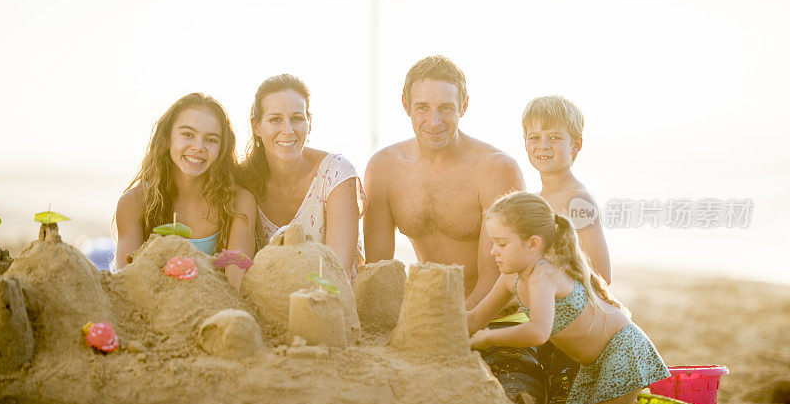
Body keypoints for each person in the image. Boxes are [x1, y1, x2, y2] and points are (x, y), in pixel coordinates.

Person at [466, 191, 670, 404]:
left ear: (533, 244)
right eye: (493, 243)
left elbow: (538, 332)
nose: (492, 252)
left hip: (623, 350)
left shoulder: (544, 275)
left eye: (502, 244)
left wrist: (489, 339)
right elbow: (475, 318)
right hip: (592, 364)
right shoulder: (512, 277)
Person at [364, 55, 524, 309]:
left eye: (446, 108)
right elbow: (378, 272)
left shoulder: (496, 170)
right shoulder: (383, 168)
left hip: (498, 316)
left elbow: (497, 278)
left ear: (463, 106)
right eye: (422, 107)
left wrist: (450, 327)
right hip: (431, 312)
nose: (434, 121)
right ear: (406, 105)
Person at [115, 93, 257, 289]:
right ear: (167, 138)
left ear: (222, 149)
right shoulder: (134, 203)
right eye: (188, 134)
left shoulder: (239, 202)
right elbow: (126, 285)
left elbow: (236, 286)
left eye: (211, 140)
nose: (198, 147)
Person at [238, 74, 364, 280]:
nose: (287, 130)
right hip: (266, 300)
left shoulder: (336, 173)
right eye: (275, 119)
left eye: (296, 118)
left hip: (331, 301)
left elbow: (337, 271)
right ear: (256, 126)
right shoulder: (241, 180)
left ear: (309, 123)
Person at [522, 96, 611, 284]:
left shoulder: (578, 200)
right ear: (525, 143)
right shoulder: (535, 200)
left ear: (575, 145)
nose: (543, 145)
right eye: (534, 137)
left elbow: (602, 275)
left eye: (554, 137)